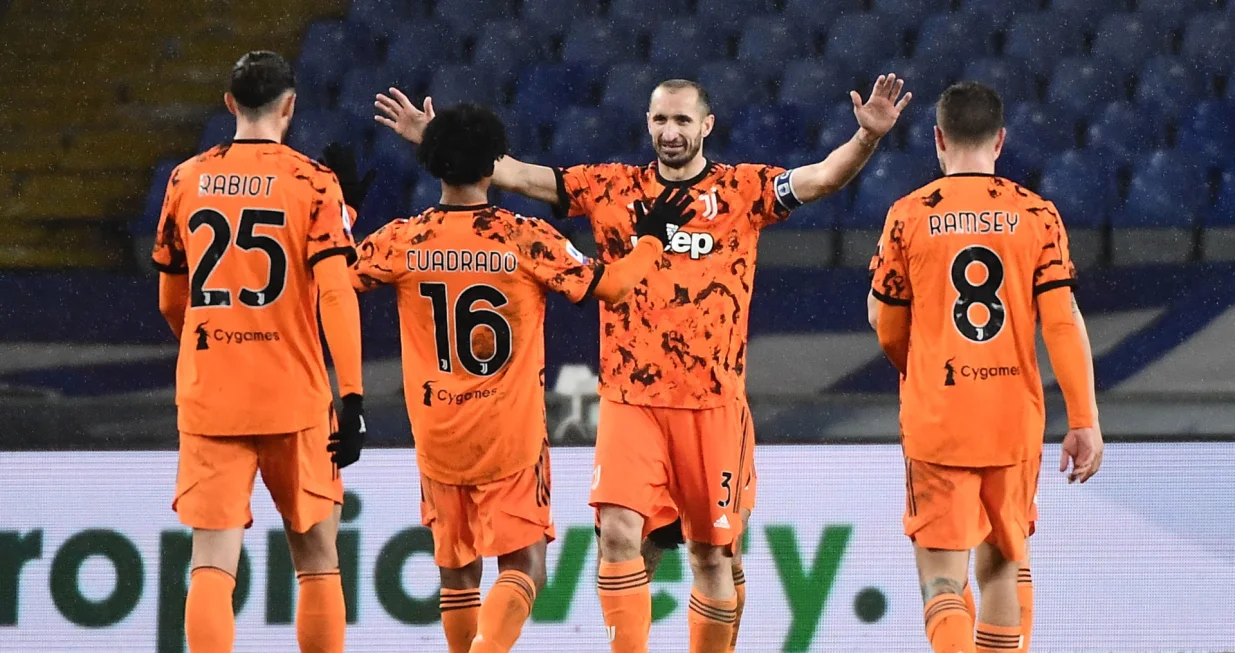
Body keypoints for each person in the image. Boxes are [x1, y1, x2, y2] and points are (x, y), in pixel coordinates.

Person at [375, 73, 910, 653]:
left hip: (712, 404)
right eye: (660, 119)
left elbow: (823, 178)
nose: (670, 131)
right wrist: (443, 142)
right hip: (630, 399)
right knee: (618, 535)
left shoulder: (742, 191)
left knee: (712, 554)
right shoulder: (610, 187)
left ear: (707, 126)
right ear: (647, 124)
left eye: (683, 120)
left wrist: (868, 139)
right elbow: (520, 175)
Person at [349, 103, 689, 653]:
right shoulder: (525, 238)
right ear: (493, 166)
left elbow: (332, 280)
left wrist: (342, 210)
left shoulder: (402, 239)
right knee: (525, 566)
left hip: (437, 433)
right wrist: (650, 238)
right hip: (509, 433)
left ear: (435, 164)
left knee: (457, 572)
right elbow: (613, 287)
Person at [868, 81, 1104, 653]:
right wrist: (1084, 419)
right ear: (1000, 140)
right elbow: (1063, 323)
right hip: (1012, 420)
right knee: (1003, 565)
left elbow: (887, 322)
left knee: (943, 580)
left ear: (937, 139)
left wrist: (917, 366)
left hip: (939, 418)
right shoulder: (1037, 214)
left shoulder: (908, 215)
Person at [152, 51, 370, 653]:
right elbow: (335, 293)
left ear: (229, 105)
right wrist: (351, 393)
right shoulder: (313, 182)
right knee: (317, 557)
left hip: (211, 398)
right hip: (294, 398)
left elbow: (173, 300)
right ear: (290, 106)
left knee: (212, 565)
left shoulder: (186, 178)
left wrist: (214, 347)